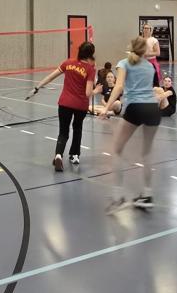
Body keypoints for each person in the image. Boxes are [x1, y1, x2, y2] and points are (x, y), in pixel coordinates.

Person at [100, 36, 162, 212]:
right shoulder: (149, 66)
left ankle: (118, 197)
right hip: (153, 108)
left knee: (117, 150)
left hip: (136, 107)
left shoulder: (124, 63)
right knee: (147, 153)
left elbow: (119, 87)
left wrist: (106, 108)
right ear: (145, 50)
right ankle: (147, 195)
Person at [32, 41, 101, 172]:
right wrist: (96, 91)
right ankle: (74, 155)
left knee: (63, 132)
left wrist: (37, 87)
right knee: (77, 128)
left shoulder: (68, 63)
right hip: (80, 105)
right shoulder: (90, 69)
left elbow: (50, 77)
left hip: (65, 103)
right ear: (90, 55)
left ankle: (58, 155)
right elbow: (88, 93)